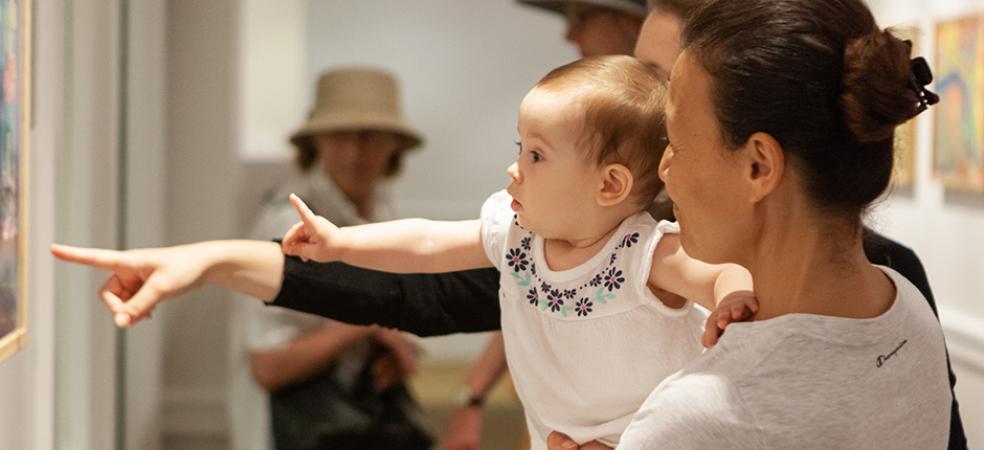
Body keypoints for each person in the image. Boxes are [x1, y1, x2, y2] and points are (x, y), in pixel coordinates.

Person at [49, 0, 965, 446]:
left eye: (673, 125)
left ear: (758, 161)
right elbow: (424, 277)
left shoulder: (695, 405)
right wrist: (220, 257)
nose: (664, 163)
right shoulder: (904, 315)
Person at [281, 55, 757, 449]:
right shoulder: (516, 236)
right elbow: (427, 243)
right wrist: (340, 242)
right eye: (520, 147)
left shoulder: (641, 252)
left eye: (537, 155)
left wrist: (732, 298)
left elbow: (721, 272)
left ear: (609, 184)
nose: (514, 169)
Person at [227, 67, 431, 450]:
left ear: (393, 145)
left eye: (368, 137)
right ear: (316, 141)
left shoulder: (382, 213)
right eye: (340, 135)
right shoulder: (287, 223)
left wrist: (385, 352)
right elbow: (268, 366)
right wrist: (369, 324)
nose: (355, 152)